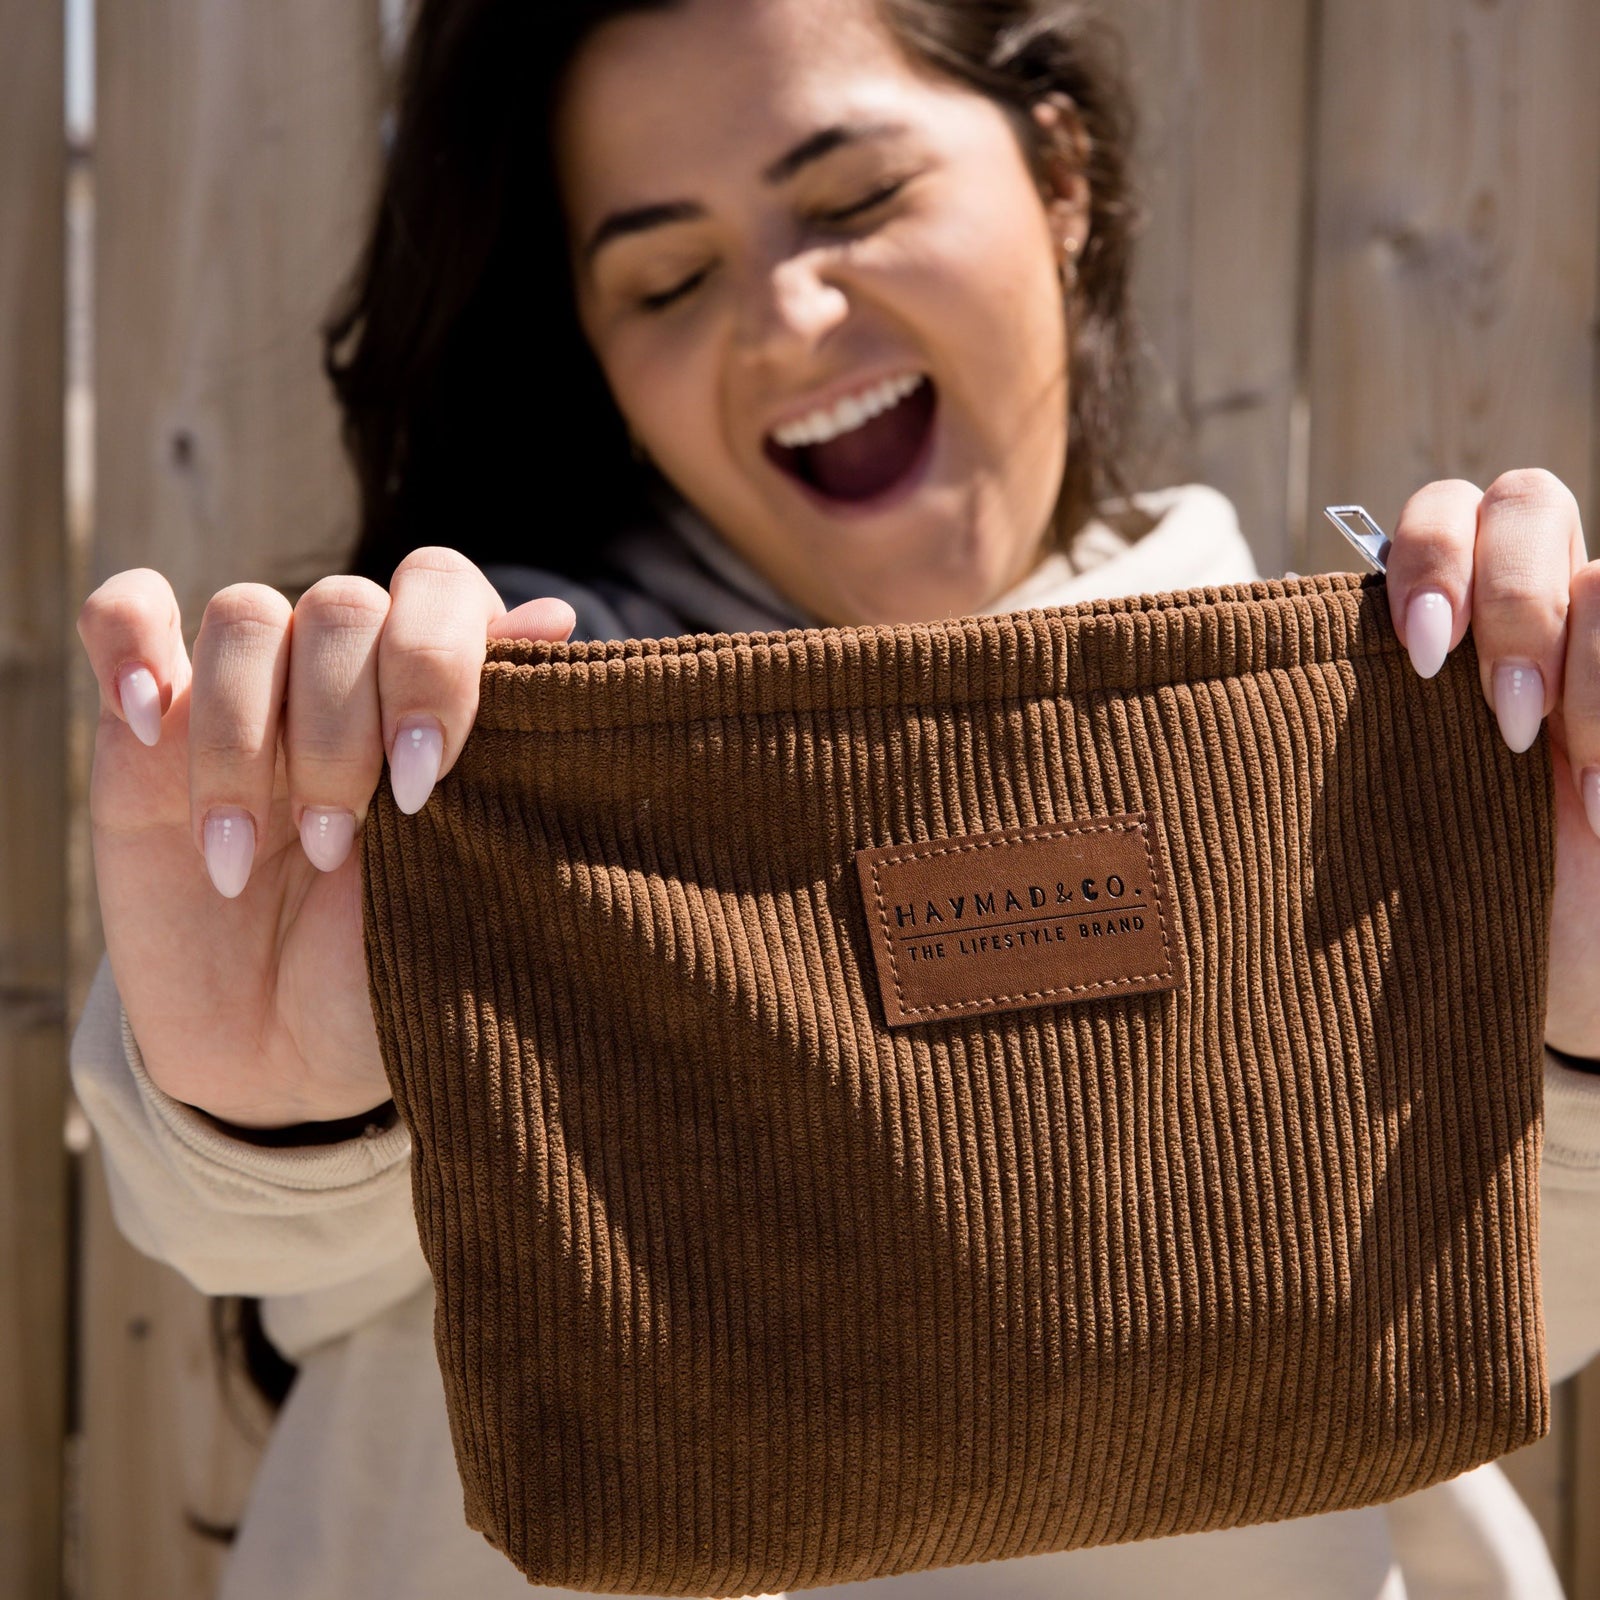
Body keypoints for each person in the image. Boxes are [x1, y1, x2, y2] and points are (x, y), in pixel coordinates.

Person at [68, 1, 1600, 1596]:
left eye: (857, 197)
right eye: (667, 278)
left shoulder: (1363, 745)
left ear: (1059, 174)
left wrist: (1567, 1012)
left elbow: (1507, 1315)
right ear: (594, 353)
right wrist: (282, 1117)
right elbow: (286, 1267)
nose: (788, 315)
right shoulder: (450, 766)